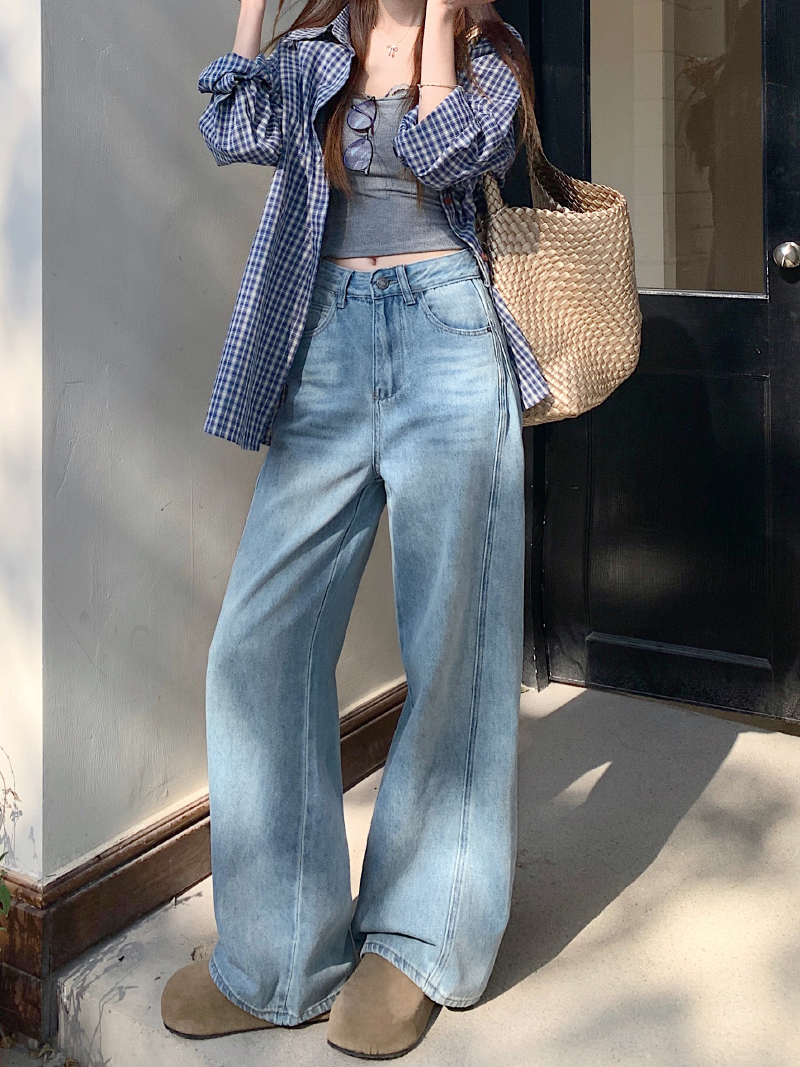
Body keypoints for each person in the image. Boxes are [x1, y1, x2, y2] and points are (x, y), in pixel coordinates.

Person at [160, 0, 549, 1057]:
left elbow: (447, 150)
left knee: (452, 651)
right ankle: (277, 950)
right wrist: (253, 13)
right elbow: (230, 128)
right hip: (325, 348)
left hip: (448, 345)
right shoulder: (314, 51)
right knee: (257, 645)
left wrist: (438, 28)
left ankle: (419, 940)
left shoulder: (491, 55)